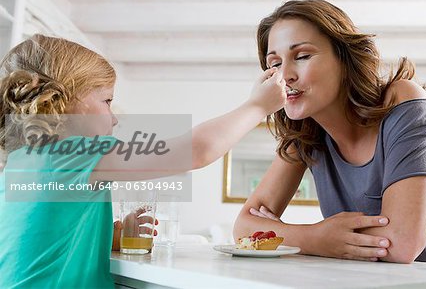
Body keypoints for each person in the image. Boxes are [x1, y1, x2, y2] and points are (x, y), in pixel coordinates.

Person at [0, 34, 286, 288]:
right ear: (63, 100)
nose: (113, 118)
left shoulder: (21, 161)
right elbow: (197, 150)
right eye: (107, 101)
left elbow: (39, 240)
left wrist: (109, 236)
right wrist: (258, 106)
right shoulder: (71, 153)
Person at [233, 0, 426, 264]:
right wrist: (315, 236)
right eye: (275, 63)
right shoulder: (304, 137)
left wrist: (293, 235)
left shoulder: (401, 100)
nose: (284, 75)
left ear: (344, 59)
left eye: (302, 56)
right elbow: (244, 228)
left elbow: (400, 243)